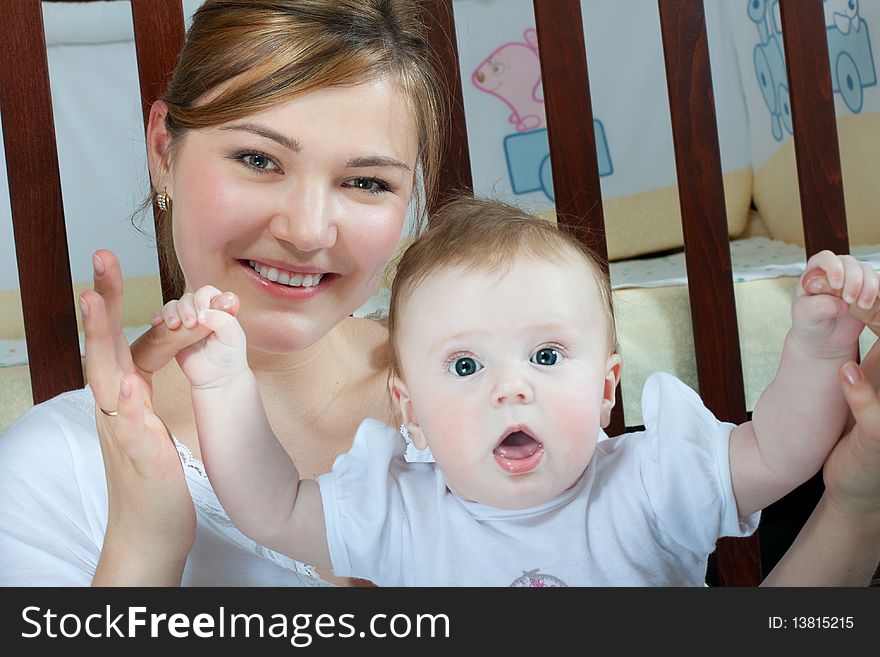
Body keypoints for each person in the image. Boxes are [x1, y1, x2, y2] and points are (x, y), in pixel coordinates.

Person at [0, 0, 877, 587]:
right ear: (164, 147)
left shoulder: (508, 397)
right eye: (258, 158)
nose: (309, 229)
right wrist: (148, 541)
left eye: (367, 183)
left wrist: (856, 500)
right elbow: (268, 501)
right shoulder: (60, 470)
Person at [154, 196, 880, 585]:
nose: (511, 388)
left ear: (606, 390)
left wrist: (818, 346)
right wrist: (223, 381)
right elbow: (269, 505)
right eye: (466, 366)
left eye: (545, 353)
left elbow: (781, 451)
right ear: (410, 414)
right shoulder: (400, 514)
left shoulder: (652, 483)